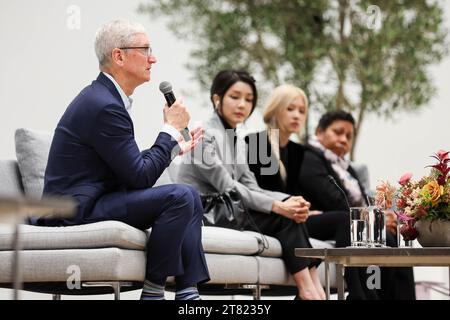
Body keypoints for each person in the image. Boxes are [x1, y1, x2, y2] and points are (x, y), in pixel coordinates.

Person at [38, 19, 210, 300]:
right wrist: (167, 131)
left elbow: (129, 169)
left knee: (188, 194)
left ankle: (187, 292)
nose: (153, 58)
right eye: (145, 50)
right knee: (179, 196)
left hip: (96, 199)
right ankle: (154, 292)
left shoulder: (106, 99)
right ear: (118, 56)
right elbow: (139, 176)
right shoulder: (104, 105)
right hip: (73, 212)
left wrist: (176, 145)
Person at [176, 70, 325, 300]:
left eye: (248, 99)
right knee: (283, 216)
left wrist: (287, 201)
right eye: (235, 97)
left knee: (293, 213)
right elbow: (229, 187)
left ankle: (313, 290)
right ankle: (309, 292)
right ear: (217, 99)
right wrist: (277, 206)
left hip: (230, 208)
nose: (242, 105)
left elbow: (251, 186)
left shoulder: (237, 138)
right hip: (206, 211)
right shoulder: (202, 135)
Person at [246, 84, 382, 299]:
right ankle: (359, 295)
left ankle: (366, 294)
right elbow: (260, 192)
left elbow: (294, 193)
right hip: (271, 218)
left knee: (352, 222)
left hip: (294, 219)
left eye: (302, 111)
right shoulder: (258, 143)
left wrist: (307, 210)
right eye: (290, 109)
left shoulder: (296, 151)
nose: (297, 116)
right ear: (276, 109)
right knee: (345, 219)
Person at [299, 110, 416, 300]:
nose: (343, 139)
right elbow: (332, 198)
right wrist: (375, 219)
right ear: (319, 132)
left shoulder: (347, 168)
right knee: (368, 229)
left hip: (352, 223)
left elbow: (362, 199)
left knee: (392, 240)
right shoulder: (309, 157)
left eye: (349, 136)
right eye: (338, 132)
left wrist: (384, 216)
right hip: (319, 221)